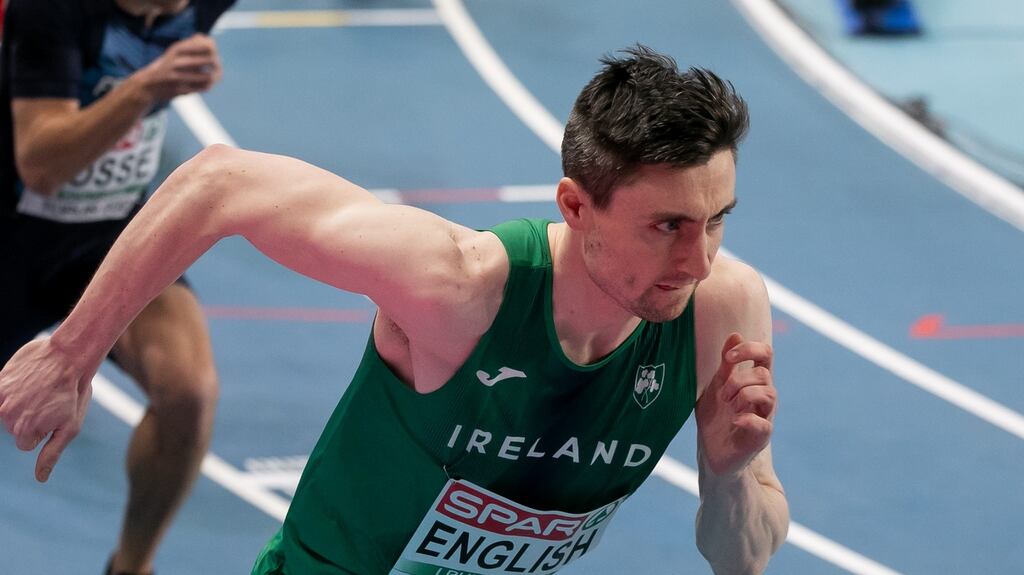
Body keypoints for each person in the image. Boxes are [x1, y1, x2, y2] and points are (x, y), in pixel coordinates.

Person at [0, 45, 790, 574]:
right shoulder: (464, 288)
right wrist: (74, 353)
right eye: (667, 227)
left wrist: (730, 475)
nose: (700, 258)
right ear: (575, 208)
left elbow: (740, 556)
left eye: (718, 219)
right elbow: (221, 180)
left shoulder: (722, 309)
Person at [0, 1, 234, 574]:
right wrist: (144, 87)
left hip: (108, 237)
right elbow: (41, 164)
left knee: (188, 394)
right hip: (10, 236)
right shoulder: (48, 11)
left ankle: (132, 568)